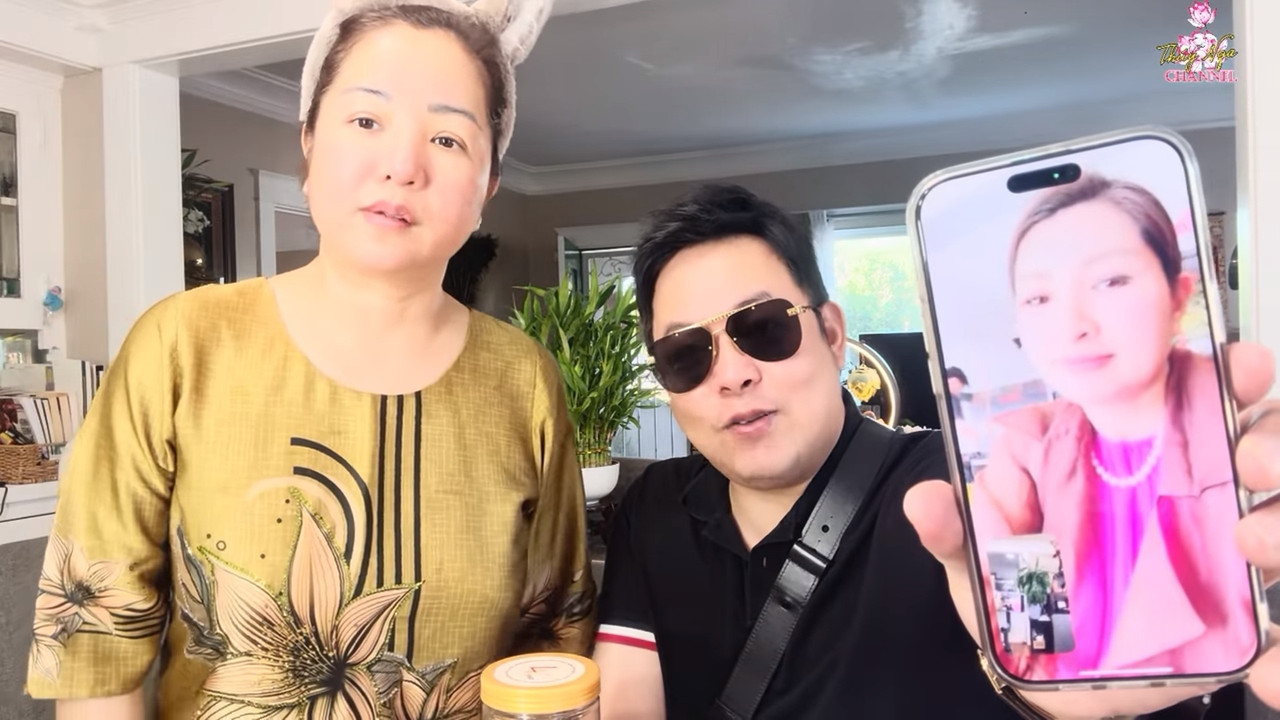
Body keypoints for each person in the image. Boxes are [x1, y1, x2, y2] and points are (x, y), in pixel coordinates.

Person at [24, 2, 595, 718]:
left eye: (448, 138)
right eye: (366, 120)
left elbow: (554, 639)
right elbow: (94, 649)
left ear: (486, 188)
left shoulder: (524, 378)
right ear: (309, 145)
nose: (402, 165)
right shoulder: (181, 345)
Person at [591, 182, 1280, 720]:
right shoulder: (654, 507)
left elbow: (1047, 641)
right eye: (686, 353)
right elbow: (628, 700)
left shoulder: (967, 493)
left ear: (832, 335)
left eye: (764, 327)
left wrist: (1055, 683)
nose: (732, 374)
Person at [970, 172, 1256, 682]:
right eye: (1039, 298)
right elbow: (1034, 646)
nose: (1073, 325)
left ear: (1178, 297)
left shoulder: (1234, 440)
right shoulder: (1026, 451)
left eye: (1110, 282)